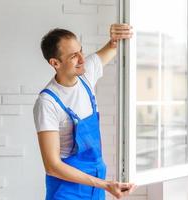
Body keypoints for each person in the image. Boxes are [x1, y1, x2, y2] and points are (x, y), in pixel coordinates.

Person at [33, 23, 136, 200]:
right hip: (67, 191)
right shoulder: (47, 103)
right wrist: (105, 185)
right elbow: (52, 166)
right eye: (74, 56)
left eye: (81, 50)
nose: (82, 59)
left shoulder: (85, 75)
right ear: (55, 63)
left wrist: (115, 36)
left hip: (95, 186)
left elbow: (113, 46)